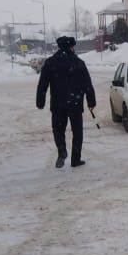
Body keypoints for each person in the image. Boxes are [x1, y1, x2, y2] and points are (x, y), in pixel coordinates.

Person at [36, 36, 96, 168]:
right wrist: (91, 102)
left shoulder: (50, 63)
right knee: (77, 132)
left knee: (58, 129)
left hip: (57, 103)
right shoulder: (78, 63)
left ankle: (62, 150)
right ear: (71, 47)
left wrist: (40, 101)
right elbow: (87, 84)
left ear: (59, 47)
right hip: (75, 102)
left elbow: (43, 84)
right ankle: (76, 159)